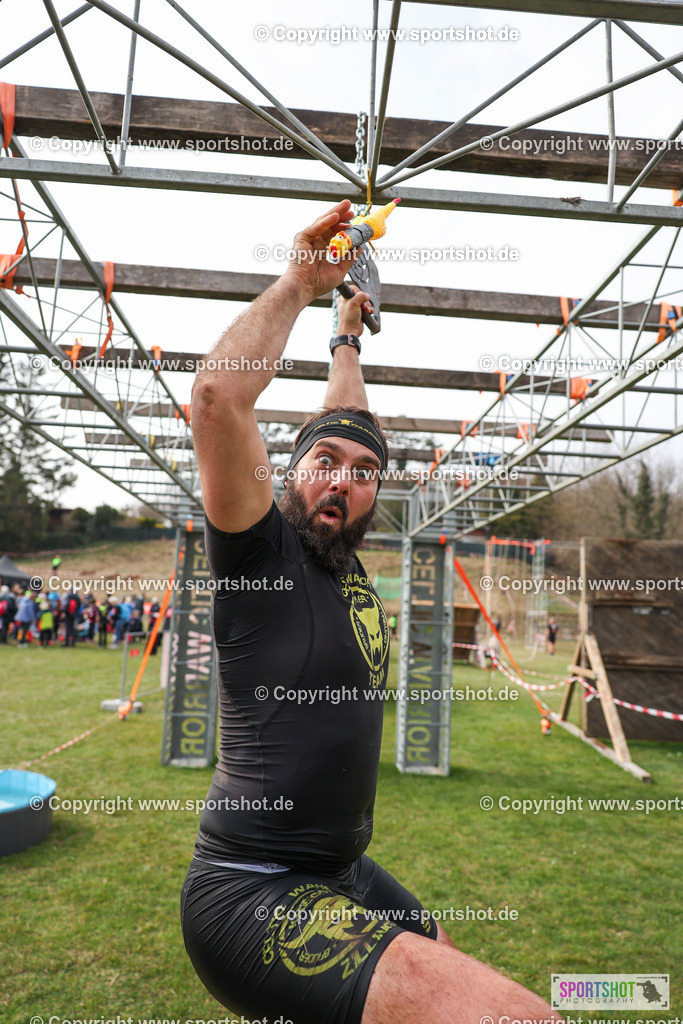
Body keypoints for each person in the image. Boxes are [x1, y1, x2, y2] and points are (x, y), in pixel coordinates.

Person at [180, 200, 563, 1024]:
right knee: (522, 1019)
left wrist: (345, 334)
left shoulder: (341, 552)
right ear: (286, 476)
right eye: (323, 463)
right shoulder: (260, 553)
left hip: (343, 874)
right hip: (251, 891)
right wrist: (297, 282)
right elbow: (216, 399)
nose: (343, 480)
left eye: (363, 473)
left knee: (443, 956)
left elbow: (348, 419)